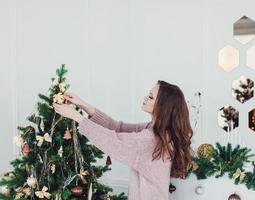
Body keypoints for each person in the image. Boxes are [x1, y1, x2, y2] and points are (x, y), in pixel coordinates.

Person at [53, 80, 193, 200]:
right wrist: (82, 104)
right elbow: (117, 128)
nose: (145, 97)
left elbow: (113, 141)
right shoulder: (156, 130)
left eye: (150, 97)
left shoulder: (150, 139)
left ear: (163, 106)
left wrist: (77, 117)